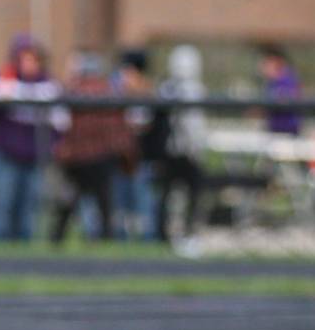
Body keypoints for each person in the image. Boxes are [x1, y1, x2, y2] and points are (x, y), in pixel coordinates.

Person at [0, 34, 62, 241]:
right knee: (3, 202)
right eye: (24, 58)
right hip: (5, 154)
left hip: (34, 156)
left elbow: (60, 121)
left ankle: (24, 252)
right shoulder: (1, 79)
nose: (28, 63)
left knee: (30, 205)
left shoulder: (49, 85)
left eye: (33, 58)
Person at [47, 52, 134, 244]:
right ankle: (104, 239)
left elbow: (59, 124)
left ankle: (56, 239)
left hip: (77, 158)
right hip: (100, 157)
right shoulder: (109, 91)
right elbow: (120, 127)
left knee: (70, 202)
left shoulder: (73, 90)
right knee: (103, 203)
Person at [149, 44, 209, 255]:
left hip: (173, 152)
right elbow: (193, 125)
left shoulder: (167, 88)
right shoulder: (176, 90)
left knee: (173, 195)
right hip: (180, 151)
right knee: (182, 194)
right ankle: (181, 234)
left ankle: (172, 234)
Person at [110, 49, 155, 239]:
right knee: (118, 201)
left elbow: (145, 124)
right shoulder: (114, 91)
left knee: (142, 200)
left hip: (141, 157)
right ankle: (119, 236)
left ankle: (147, 237)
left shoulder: (148, 93)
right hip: (118, 156)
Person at [259, 44, 302, 136]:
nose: (263, 67)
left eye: (266, 63)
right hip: (275, 131)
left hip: (288, 132)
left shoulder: (288, 79)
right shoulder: (271, 83)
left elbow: (288, 99)